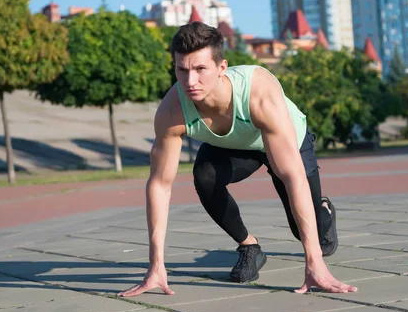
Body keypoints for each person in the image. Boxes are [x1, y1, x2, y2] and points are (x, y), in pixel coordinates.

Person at [119, 22, 357, 297]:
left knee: (308, 232)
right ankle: (249, 247)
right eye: (181, 70)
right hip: (235, 146)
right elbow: (160, 185)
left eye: (200, 69)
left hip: (287, 140)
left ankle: (323, 210)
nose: (190, 81)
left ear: (222, 68)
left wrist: (314, 264)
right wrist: (155, 265)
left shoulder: (258, 92)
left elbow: (292, 175)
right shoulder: (172, 111)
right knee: (205, 175)